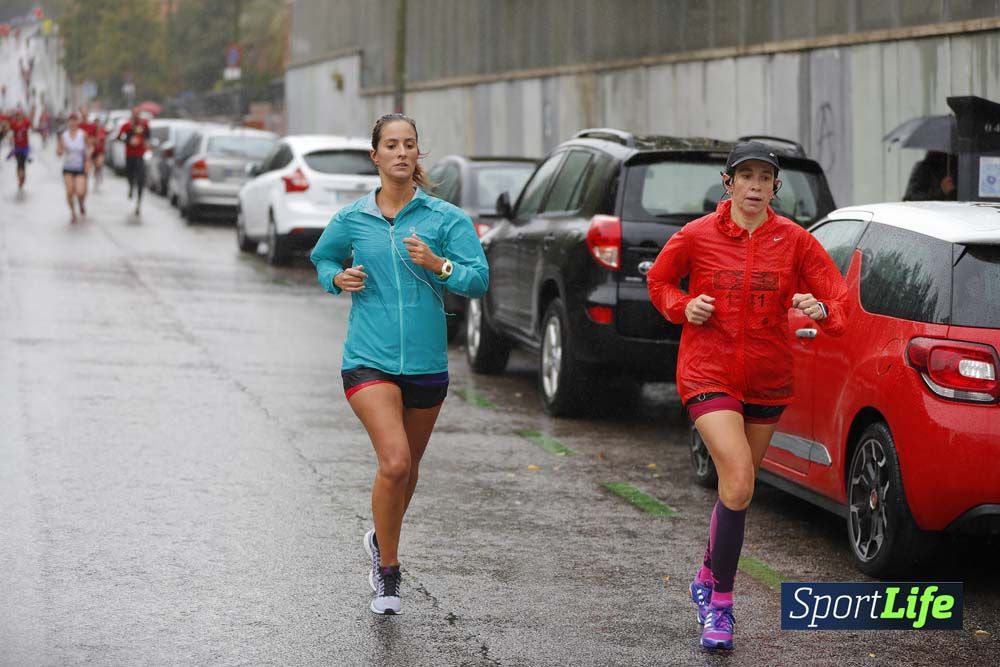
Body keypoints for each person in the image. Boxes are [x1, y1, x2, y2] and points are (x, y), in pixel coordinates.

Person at [646, 141, 849, 651]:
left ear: (775, 187)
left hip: (768, 378)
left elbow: (838, 299)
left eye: (765, 179)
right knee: (736, 479)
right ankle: (721, 606)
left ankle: (706, 573)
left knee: (738, 491)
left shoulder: (796, 241)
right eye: (747, 177)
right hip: (707, 371)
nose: (756, 186)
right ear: (728, 182)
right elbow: (660, 281)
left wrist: (819, 309)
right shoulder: (697, 235)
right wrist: (684, 306)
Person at [310, 113, 489, 615]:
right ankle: (388, 572)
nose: (401, 153)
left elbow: (478, 279)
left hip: (428, 365)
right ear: (376, 156)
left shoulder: (445, 219)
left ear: (418, 154)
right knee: (395, 461)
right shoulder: (352, 219)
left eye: (409, 144)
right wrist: (336, 279)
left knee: (407, 474)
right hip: (368, 359)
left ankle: (378, 539)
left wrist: (439, 264)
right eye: (391, 145)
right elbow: (323, 259)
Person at [56, 112, 89, 223]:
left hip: (80, 166)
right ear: (68, 122)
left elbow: (89, 148)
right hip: (68, 167)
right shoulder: (63, 136)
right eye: (71, 120)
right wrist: (61, 149)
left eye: (75, 120)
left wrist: (87, 162)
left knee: (80, 192)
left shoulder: (83, 134)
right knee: (70, 191)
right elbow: (58, 152)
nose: (73, 122)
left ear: (77, 122)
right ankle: (73, 212)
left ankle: (81, 203)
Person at [117, 107, 150, 214]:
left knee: (141, 179)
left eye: (138, 113)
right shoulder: (126, 126)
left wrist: (145, 143)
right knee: (130, 175)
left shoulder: (144, 125)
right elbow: (119, 137)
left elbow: (148, 136)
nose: (136, 115)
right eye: (134, 113)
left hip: (140, 155)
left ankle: (139, 204)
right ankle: (131, 186)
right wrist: (128, 140)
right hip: (130, 154)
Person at [7, 108, 32, 191]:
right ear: (16, 116)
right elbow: (8, 128)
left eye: (21, 114)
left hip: (25, 147)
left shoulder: (26, 122)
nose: (19, 116)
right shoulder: (14, 124)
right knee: (19, 163)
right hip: (17, 148)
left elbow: (31, 125)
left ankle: (22, 178)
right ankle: (20, 178)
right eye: (18, 115)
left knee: (23, 163)